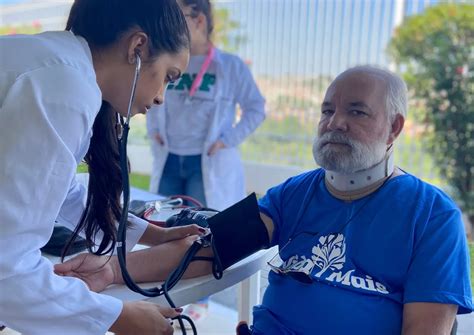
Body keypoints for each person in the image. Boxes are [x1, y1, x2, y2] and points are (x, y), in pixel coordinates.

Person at [55, 66, 473, 334]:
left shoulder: (433, 217)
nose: (334, 123)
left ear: (395, 128)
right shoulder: (298, 192)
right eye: (326, 111)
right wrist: (110, 270)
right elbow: (205, 248)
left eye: (357, 112)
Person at [0, 0, 207, 334]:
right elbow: (6, 270)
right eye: (169, 77)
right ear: (138, 47)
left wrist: (154, 235)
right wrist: (118, 317)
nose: (161, 98)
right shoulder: (64, 87)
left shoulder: (57, 66)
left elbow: (64, 192)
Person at [146, 0, 265, 323]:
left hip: (206, 163)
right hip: (170, 158)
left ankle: (202, 296)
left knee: (205, 230)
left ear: (198, 19)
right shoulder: (171, 56)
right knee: (163, 226)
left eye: (177, 16)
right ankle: (164, 292)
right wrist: (154, 130)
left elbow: (256, 108)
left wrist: (228, 139)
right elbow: (153, 93)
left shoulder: (228, 65)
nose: (168, 23)